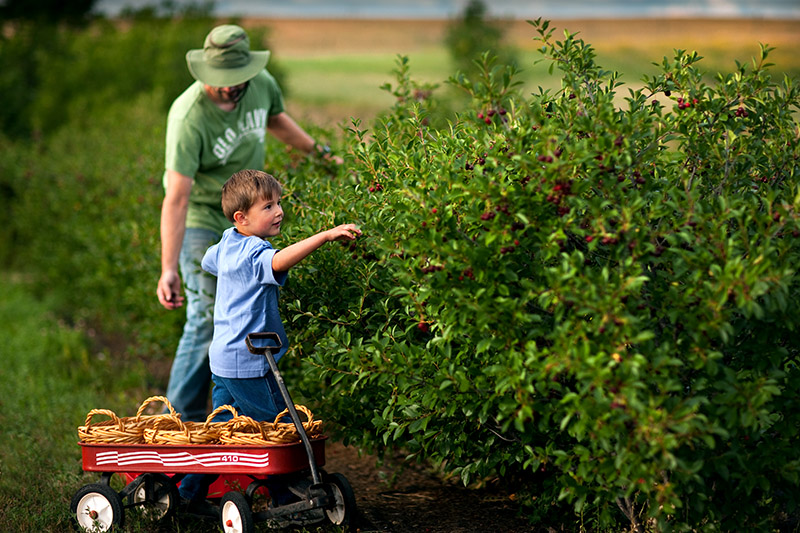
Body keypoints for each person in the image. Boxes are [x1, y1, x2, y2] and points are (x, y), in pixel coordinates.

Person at [156, 24, 338, 422]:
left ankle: (222, 427)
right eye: (220, 80)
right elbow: (177, 197)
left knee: (240, 311)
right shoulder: (188, 117)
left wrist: (322, 156)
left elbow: (277, 121)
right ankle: (175, 422)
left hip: (252, 212)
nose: (228, 87)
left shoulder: (262, 84)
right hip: (205, 219)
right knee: (205, 316)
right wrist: (169, 268)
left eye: (235, 79)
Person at [177, 168, 360, 506]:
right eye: (268, 207)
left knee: (220, 433)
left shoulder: (228, 242)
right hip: (248, 362)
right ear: (241, 217)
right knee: (277, 428)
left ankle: (187, 494)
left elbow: (207, 260)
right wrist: (324, 236)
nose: (279, 212)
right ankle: (286, 495)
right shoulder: (253, 252)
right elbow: (277, 261)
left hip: (222, 359)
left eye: (278, 203)